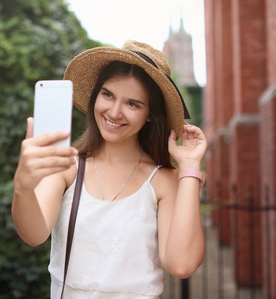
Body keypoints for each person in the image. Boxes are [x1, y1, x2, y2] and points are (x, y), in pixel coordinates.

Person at [12, 40, 207, 298]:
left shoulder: (163, 180)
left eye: (133, 104)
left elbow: (181, 265)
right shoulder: (68, 166)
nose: (114, 112)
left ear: (150, 113)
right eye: (108, 95)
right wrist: (23, 187)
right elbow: (34, 235)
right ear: (96, 95)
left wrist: (191, 167)